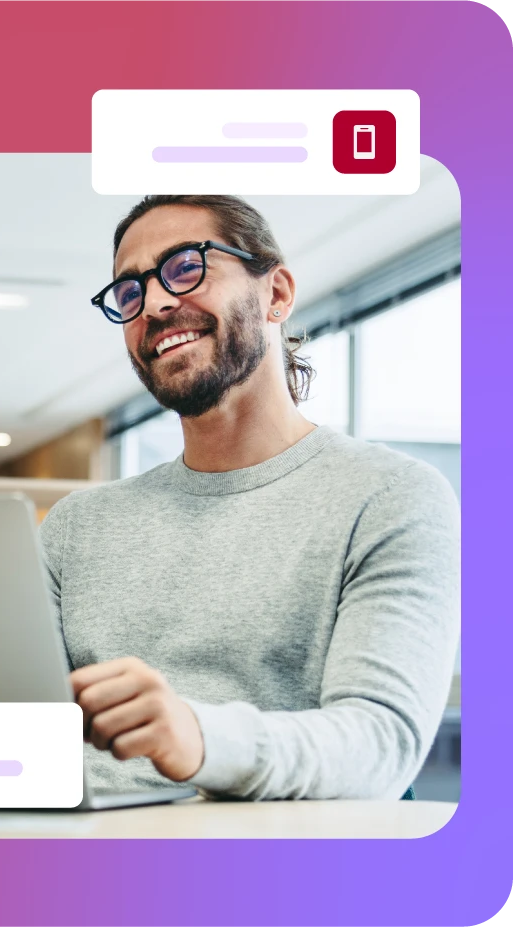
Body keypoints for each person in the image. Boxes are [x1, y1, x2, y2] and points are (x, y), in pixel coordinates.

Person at [38, 194, 460, 800]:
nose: (153, 304)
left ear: (277, 294)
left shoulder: (390, 495)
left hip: (265, 869)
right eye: (129, 293)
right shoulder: (77, 526)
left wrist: (199, 738)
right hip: (66, 852)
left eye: (185, 266)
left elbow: (381, 743)